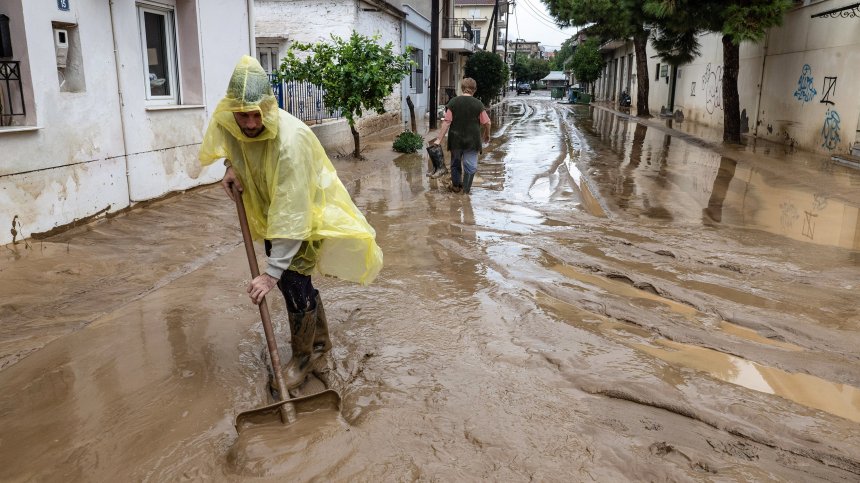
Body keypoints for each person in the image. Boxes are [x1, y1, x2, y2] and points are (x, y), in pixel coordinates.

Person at [198, 56, 383, 391]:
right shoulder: (235, 124)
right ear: (232, 111)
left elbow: (292, 211)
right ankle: (321, 344)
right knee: (295, 284)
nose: (251, 123)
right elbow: (238, 147)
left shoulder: (290, 141)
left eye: (257, 115)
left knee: (292, 285)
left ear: (269, 107)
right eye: (244, 115)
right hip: (277, 217)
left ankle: (303, 358)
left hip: (304, 217)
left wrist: (270, 273)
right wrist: (231, 167)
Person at [430, 77, 491, 194]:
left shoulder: (453, 102)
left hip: (456, 140)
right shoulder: (478, 104)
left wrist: (438, 139)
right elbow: (487, 122)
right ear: (474, 90)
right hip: (472, 141)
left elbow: (446, 122)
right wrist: (486, 134)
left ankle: (456, 187)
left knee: (455, 164)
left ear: (462, 88)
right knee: (470, 166)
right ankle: (466, 191)